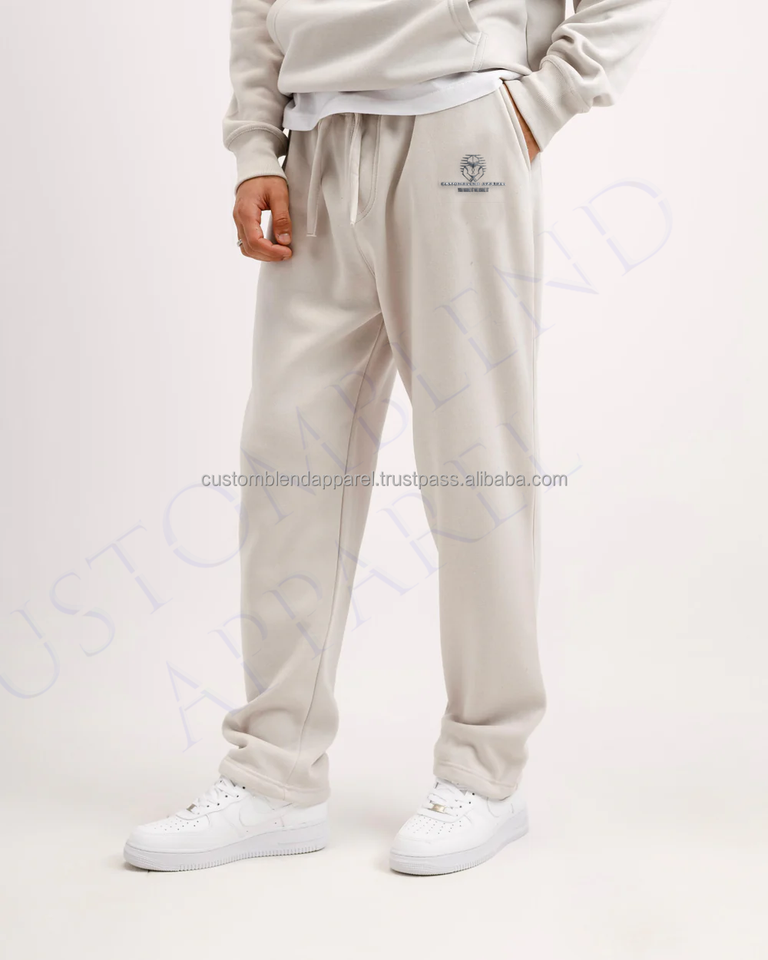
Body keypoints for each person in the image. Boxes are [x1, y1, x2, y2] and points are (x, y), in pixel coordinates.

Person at [124, 0, 669, 876]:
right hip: (315, 141)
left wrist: (539, 104)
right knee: (286, 468)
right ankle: (275, 776)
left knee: (474, 461)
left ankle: (486, 771)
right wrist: (256, 146)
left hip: (461, 125)